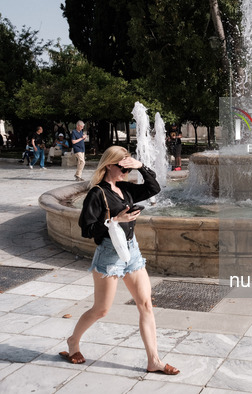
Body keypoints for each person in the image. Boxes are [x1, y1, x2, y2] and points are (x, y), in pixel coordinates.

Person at [61, 146, 180, 376]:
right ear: (108, 166)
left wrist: (141, 167)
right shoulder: (97, 193)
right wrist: (115, 220)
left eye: (127, 166)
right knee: (101, 309)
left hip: (131, 251)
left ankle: (153, 360)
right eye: (121, 166)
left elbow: (153, 187)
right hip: (109, 255)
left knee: (145, 304)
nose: (125, 171)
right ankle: (73, 342)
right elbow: (86, 228)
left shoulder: (124, 188)